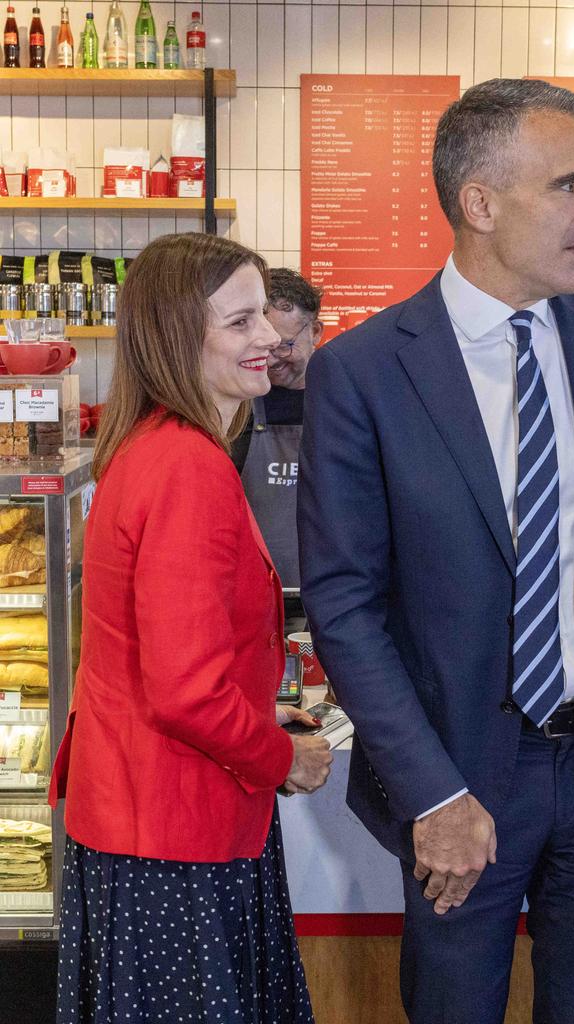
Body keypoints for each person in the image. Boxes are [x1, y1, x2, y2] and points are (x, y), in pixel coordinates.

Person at [297, 79, 574, 1024]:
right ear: (480, 203)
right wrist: (433, 793)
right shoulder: (362, 372)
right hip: (457, 773)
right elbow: (346, 604)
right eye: (571, 185)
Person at [48, 233, 332, 1024]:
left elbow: (157, 654)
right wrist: (285, 758)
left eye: (266, 320)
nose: (271, 340)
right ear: (178, 335)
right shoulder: (189, 468)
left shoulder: (150, 448)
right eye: (241, 323)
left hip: (140, 820)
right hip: (175, 839)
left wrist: (257, 703)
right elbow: (184, 693)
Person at [231, 269, 323, 598]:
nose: (271, 359)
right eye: (263, 345)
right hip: (254, 596)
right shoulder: (238, 409)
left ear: (315, 331)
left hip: (325, 599)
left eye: (283, 346)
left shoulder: (343, 404)